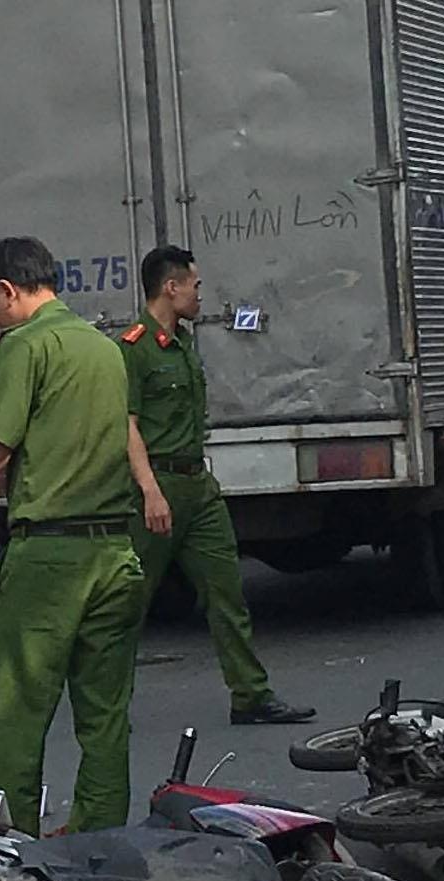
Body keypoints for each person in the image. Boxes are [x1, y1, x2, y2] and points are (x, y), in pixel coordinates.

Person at [0, 236, 144, 835]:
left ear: (9, 292)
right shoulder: (103, 347)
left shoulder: (25, 345)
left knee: (18, 707)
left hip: (49, 554)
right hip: (115, 552)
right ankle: (101, 830)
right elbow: (43, 438)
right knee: (104, 713)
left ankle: (6, 838)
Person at [119, 247, 315, 723]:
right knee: (127, 602)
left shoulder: (183, 343)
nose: (199, 293)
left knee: (226, 591)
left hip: (197, 485)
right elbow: (125, 425)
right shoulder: (133, 349)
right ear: (172, 287)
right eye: (195, 284)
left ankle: (250, 695)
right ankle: (105, 700)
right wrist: (149, 490)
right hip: (157, 485)